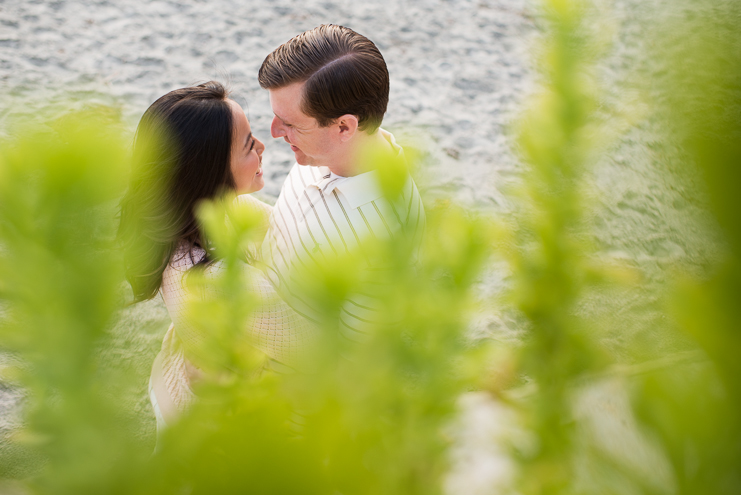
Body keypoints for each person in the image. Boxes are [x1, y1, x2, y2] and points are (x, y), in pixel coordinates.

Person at [117, 82, 315, 432]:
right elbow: (313, 344)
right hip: (213, 427)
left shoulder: (200, 216)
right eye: (248, 145)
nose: (262, 147)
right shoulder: (215, 279)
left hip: (181, 379)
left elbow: (281, 230)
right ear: (209, 175)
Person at [257, 25, 426, 342]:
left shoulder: (382, 240)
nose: (274, 132)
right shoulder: (318, 153)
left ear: (345, 127)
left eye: (290, 123)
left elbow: (357, 353)